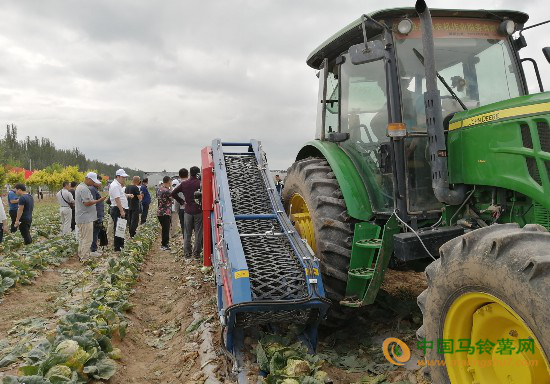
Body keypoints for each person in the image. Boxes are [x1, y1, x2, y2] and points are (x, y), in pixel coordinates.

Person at [75, 172, 106, 261]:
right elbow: (87, 203)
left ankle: (81, 254)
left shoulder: (81, 187)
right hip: (85, 218)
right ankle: (84, 258)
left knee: (82, 238)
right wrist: (98, 200)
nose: (93, 183)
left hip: (82, 217)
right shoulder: (84, 189)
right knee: (87, 239)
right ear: (88, 179)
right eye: (92, 181)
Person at [176, 166, 203, 259]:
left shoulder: (184, 183)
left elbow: (173, 193)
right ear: (198, 173)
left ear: (190, 173)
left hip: (187, 211)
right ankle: (196, 254)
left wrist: (182, 201)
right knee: (198, 233)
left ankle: (187, 254)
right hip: (198, 211)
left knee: (187, 233)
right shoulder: (200, 183)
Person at [109, 169, 129, 252]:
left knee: (121, 227)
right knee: (119, 228)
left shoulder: (118, 185)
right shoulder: (115, 185)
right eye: (123, 177)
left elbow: (120, 196)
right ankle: (118, 247)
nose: (124, 179)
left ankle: (121, 245)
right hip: (117, 209)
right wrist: (121, 211)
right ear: (118, 176)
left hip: (119, 209)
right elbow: (117, 199)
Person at [170, 168, 188, 242]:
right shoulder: (193, 184)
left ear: (180, 176)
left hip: (182, 208)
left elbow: (175, 196)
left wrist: (178, 209)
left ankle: (186, 243)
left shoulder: (179, 185)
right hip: (193, 209)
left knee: (184, 227)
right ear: (188, 175)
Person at [89, 175, 105, 256]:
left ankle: (94, 248)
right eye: (98, 181)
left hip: (98, 214)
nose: (100, 183)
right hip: (96, 215)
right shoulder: (92, 189)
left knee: (96, 231)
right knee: (95, 232)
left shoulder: (95, 189)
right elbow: (93, 203)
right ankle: (93, 250)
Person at [157, 176, 173, 251]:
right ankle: (164, 245)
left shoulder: (159, 189)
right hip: (165, 212)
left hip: (160, 212)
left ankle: (164, 243)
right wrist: (171, 188)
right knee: (166, 229)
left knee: (164, 228)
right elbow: (172, 198)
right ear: (169, 181)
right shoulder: (167, 191)